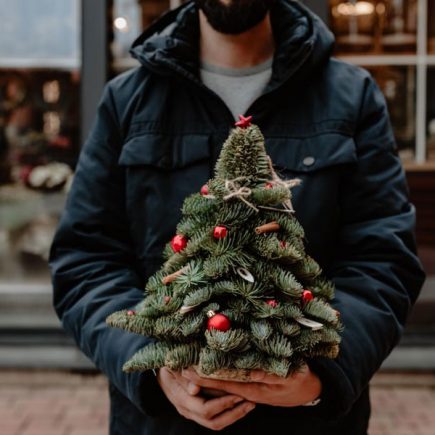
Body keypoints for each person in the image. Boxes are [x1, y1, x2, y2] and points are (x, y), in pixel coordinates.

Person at [49, 1, 425, 434]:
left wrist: (322, 374)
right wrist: (154, 368)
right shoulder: (128, 101)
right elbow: (85, 259)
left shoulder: (351, 95)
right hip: (163, 424)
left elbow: (383, 260)